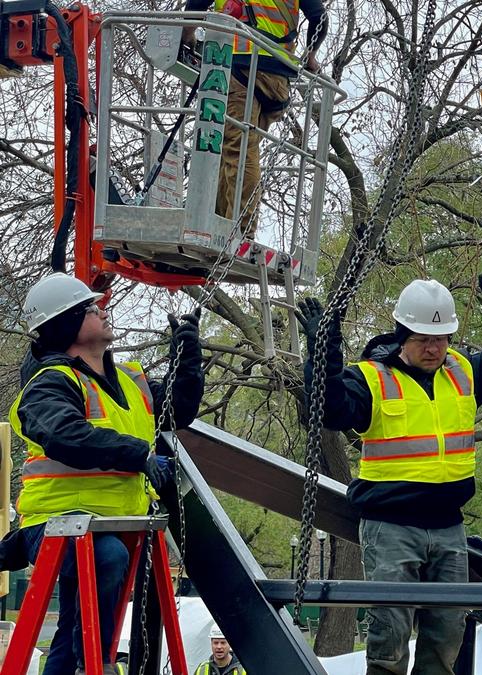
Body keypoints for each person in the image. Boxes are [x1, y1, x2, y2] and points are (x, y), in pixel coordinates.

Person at [301, 268, 482, 675]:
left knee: (446, 635)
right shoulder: (372, 379)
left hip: (448, 528)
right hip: (391, 528)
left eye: (442, 338)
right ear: (401, 334)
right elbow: (330, 408)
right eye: (424, 339)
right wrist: (324, 350)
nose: (434, 348)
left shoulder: (463, 374)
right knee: (389, 636)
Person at [7, 272, 204, 675]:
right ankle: (95, 665)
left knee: (69, 630)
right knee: (107, 559)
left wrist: (188, 357)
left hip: (107, 525)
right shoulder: (50, 384)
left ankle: (82, 663)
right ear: (68, 326)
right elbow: (65, 435)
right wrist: (138, 455)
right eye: (91, 309)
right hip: (57, 525)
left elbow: (178, 409)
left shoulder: (131, 380)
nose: (103, 310)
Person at [182, 0, 328, 237]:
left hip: (240, 65)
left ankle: (240, 231)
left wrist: (186, 35)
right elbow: (319, 16)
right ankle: (217, 221)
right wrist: (310, 56)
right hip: (277, 78)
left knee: (236, 150)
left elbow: (197, 4)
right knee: (227, 151)